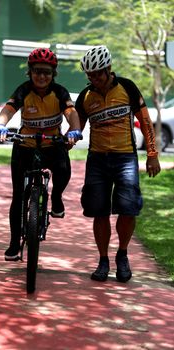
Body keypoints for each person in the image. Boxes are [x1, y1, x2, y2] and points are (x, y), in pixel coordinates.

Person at [75, 45, 161, 283]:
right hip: (97, 160)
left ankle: (122, 254)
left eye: (98, 74)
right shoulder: (86, 96)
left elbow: (145, 121)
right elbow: (77, 129)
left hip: (125, 158)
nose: (94, 79)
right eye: (90, 75)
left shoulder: (128, 88)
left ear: (109, 69)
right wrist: (66, 143)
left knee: (128, 208)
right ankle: (103, 260)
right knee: (98, 212)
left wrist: (152, 154)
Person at [0, 48, 82, 261]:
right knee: (18, 197)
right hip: (25, 146)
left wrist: (74, 129)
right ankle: (15, 243)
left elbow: (71, 113)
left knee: (63, 171)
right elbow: (8, 109)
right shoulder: (23, 90)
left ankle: (57, 197)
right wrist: (0, 125)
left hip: (53, 145)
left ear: (54, 74)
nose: (42, 76)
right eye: (37, 71)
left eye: (47, 72)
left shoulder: (59, 92)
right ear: (30, 72)